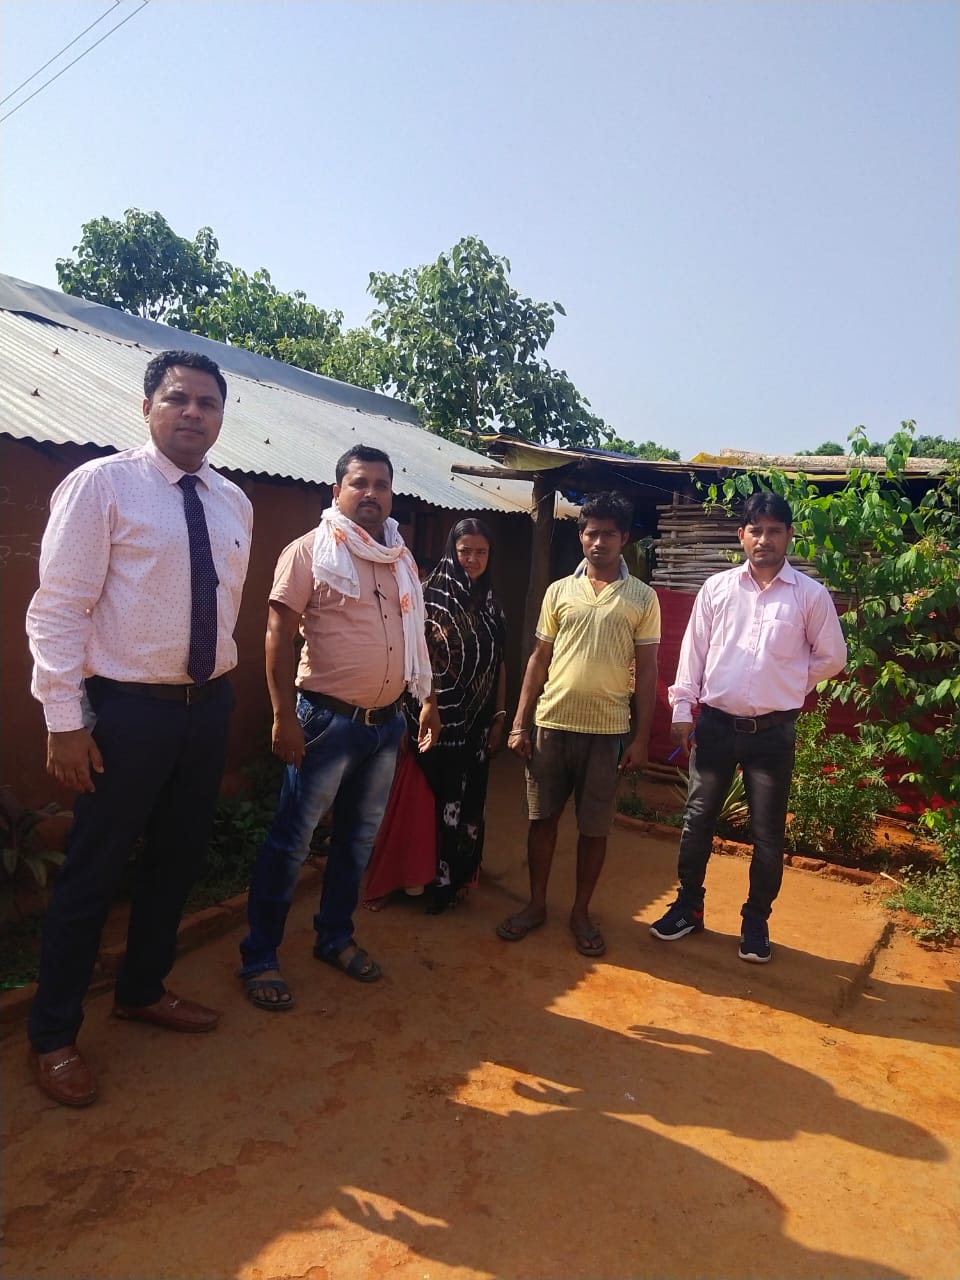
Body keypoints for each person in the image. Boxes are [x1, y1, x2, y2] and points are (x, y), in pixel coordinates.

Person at [24, 350, 253, 1107]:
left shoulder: (233, 502)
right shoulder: (101, 485)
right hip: (127, 712)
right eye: (178, 398)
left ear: (221, 418)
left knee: (177, 859)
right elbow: (58, 609)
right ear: (147, 406)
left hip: (206, 706)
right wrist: (65, 720)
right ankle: (53, 1035)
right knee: (94, 869)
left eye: (208, 403)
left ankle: (142, 989)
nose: (193, 413)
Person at [238, 445, 440, 1009]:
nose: (371, 493)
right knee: (293, 842)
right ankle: (260, 956)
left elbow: (415, 635)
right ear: (337, 491)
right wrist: (282, 716)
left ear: (392, 494)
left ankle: (334, 937)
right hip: (326, 723)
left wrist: (426, 699)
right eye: (359, 483)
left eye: (382, 484)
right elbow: (277, 636)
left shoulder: (400, 558)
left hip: (385, 726)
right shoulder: (308, 551)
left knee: (356, 840)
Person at [650, 491, 847, 963]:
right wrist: (682, 710)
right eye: (756, 530)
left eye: (774, 530)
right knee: (697, 820)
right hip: (716, 727)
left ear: (789, 536)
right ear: (741, 535)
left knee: (767, 834)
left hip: (773, 735)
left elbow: (833, 657)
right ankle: (689, 906)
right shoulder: (717, 589)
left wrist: (790, 682)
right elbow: (693, 653)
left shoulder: (809, 596)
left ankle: (755, 920)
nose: (764, 539)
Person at [496, 492, 661, 957]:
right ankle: (536, 905)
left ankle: (581, 913)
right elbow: (539, 658)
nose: (599, 541)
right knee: (542, 819)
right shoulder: (558, 592)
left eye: (609, 533)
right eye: (591, 533)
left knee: (594, 828)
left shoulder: (642, 597)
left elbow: (648, 669)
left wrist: (641, 737)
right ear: (580, 536)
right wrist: (519, 722)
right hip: (552, 724)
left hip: (607, 732)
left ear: (624, 538)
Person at [363, 518, 508, 913]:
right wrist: (415, 711)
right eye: (465, 551)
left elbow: (499, 662)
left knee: (466, 802)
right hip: (431, 721)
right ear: (451, 551)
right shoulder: (428, 597)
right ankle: (406, 879)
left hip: (475, 725)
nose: (472, 559)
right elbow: (411, 659)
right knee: (422, 801)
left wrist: (499, 716)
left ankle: (455, 878)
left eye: (481, 552)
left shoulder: (490, 603)